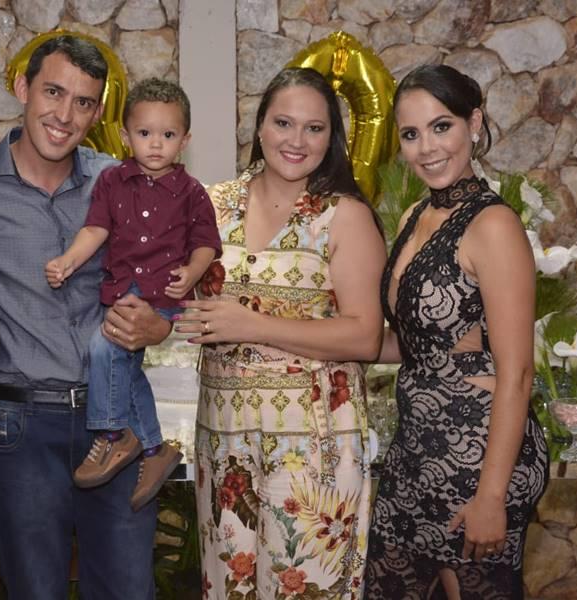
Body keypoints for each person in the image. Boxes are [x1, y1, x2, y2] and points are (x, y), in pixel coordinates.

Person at [0, 35, 171, 599]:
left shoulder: (122, 182)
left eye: (83, 102)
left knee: (128, 590)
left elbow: (165, 269)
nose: (64, 115)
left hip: (117, 424)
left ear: (97, 113)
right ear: (22, 88)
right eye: (53, 92)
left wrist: (161, 325)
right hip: (21, 426)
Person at [174, 67, 386, 599]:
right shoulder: (210, 204)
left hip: (314, 448)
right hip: (223, 440)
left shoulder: (344, 216)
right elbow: (169, 289)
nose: (297, 140)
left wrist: (253, 325)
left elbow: (365, 336)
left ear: (331, 138)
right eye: (284, 123)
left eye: (314, 128)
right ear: (260, 126)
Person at [363, 64, 549, 599]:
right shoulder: (414, 217)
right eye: (411, 134)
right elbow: (416, 346)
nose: (427, 148)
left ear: (474, 123)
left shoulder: (493, 225)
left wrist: (491, 496)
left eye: (441, 126)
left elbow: (517, 372)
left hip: (478, 456)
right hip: (415, 450)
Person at [45, 78, 221, 510]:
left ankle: (111, 434)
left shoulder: (192, 192)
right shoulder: (112, 181)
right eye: (145, 133)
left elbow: (206, 243)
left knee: (102, 348)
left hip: (162, 290)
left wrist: (192, 272)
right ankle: (154, 448)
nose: (156, 144)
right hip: (123, 286)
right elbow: (95, 229)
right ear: (126, 136)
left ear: (185, 140)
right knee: (123, 366)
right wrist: (69, 260)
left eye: (168, 134)